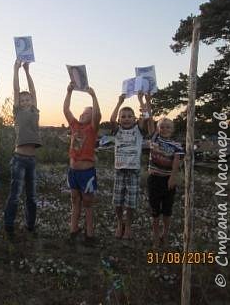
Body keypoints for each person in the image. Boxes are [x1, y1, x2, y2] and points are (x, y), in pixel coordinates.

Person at [4, 60, 42, 239]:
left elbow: (33, 91)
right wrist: (15, 69)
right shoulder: (18, 112)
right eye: (23, 99)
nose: (26, 101)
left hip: (32, 160)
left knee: (31, 197)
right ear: (19, 102)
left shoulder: (35, 111)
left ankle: (30, 225)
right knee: (15, 195)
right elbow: (16, 89)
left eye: (28, 99)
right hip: (19, 158)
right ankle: (9, 225)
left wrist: (27, 71)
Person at [63, 82, 101, 242]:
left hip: (87, 172)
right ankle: (73, 229)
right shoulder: (75, 126)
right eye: (83, 113)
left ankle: (90, 233)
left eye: (88, 113)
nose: (84, 115)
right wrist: (69, 92)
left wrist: (93, 96)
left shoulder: (92, 128)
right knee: (74, 199)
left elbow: (97, 115)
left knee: (88, 202)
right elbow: (66, 110)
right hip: (73, 172)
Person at [110, 92, 150, 240]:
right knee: (118, 201)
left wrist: (140, 99)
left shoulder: (138, 130)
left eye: (129, 116)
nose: (126, 119)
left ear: (134, 119)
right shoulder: (117, 130)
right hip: (120, 170)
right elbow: (111, 119)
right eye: (123, 116)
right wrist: (119, 102)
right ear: (120, 120)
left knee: (131, 202)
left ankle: (129, 225)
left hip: (133, 171)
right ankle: (120, 223)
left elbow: (146, 117)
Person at [147, 115, 183, 248]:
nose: (165, 129)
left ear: (172, 129)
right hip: (154, 180)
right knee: (155, 210)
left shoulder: (177, 145)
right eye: (162, 126)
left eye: (168, 127)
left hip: (168, 180)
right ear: (158, 128)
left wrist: (173, 178)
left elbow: (176, 162)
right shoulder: (154, 139)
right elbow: (149, 120)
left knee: (167, 210)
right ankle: (155, 236)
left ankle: (165, 234)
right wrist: (147, 101)